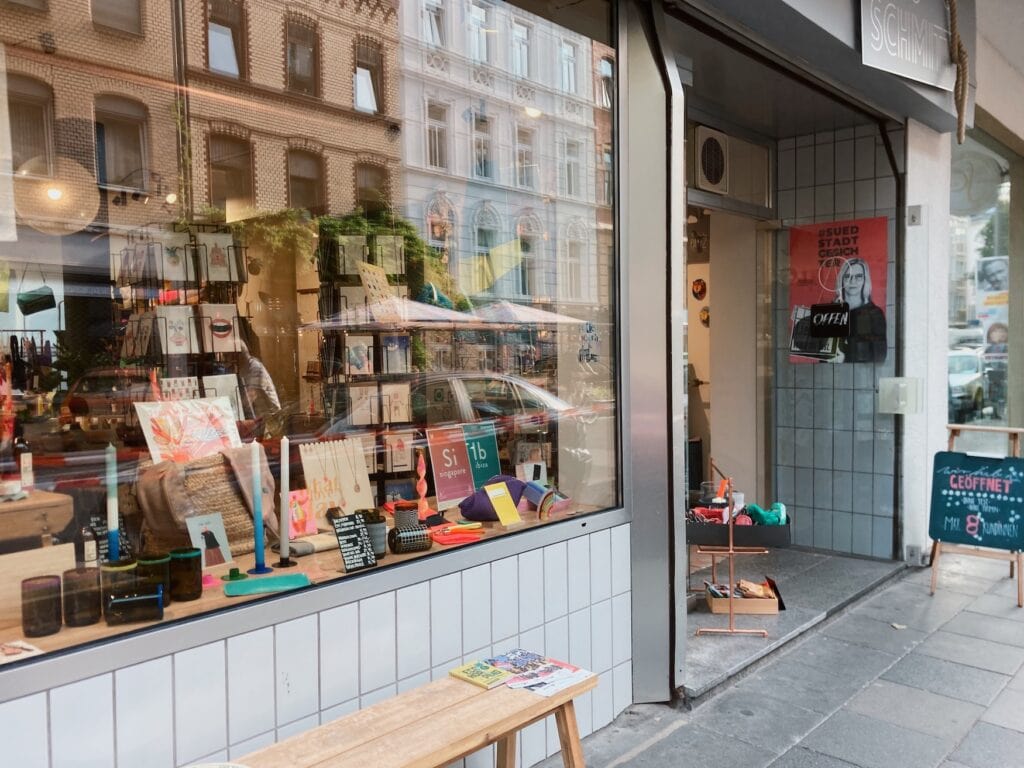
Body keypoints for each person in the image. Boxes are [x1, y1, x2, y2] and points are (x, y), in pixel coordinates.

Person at [835, 258, 886, 363]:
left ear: (865, 280)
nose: (852, 281)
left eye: (858, 277)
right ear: (841, 280)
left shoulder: (874, 314)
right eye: (847, 276)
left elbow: (879, 355)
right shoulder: (831, 312)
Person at [238, 341, 281, 422]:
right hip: (259, 415)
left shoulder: (255, 367)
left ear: (239, 355)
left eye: (229, 356)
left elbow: (250, 396)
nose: (228, 359)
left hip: (271, 417)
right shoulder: (243, 367)